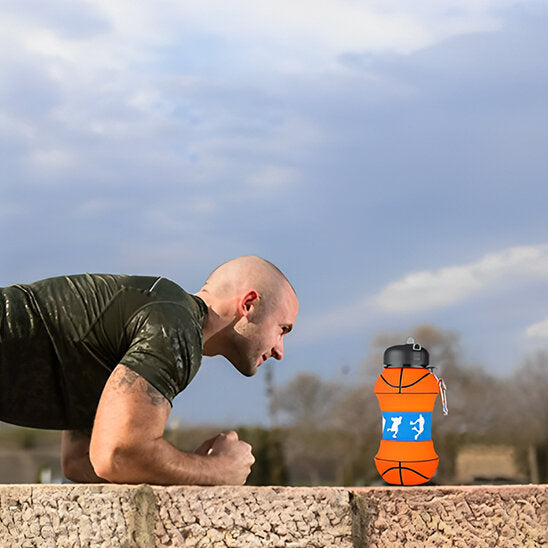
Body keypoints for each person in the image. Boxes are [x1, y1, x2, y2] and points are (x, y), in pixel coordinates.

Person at [0, 255, 298, 485]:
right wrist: (220, 469)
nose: (279, 351)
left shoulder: (158, 316)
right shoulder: (176, 326)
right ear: (249, 304)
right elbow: (117, 455)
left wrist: (182, 467)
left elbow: (82, 460)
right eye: (282, 329)